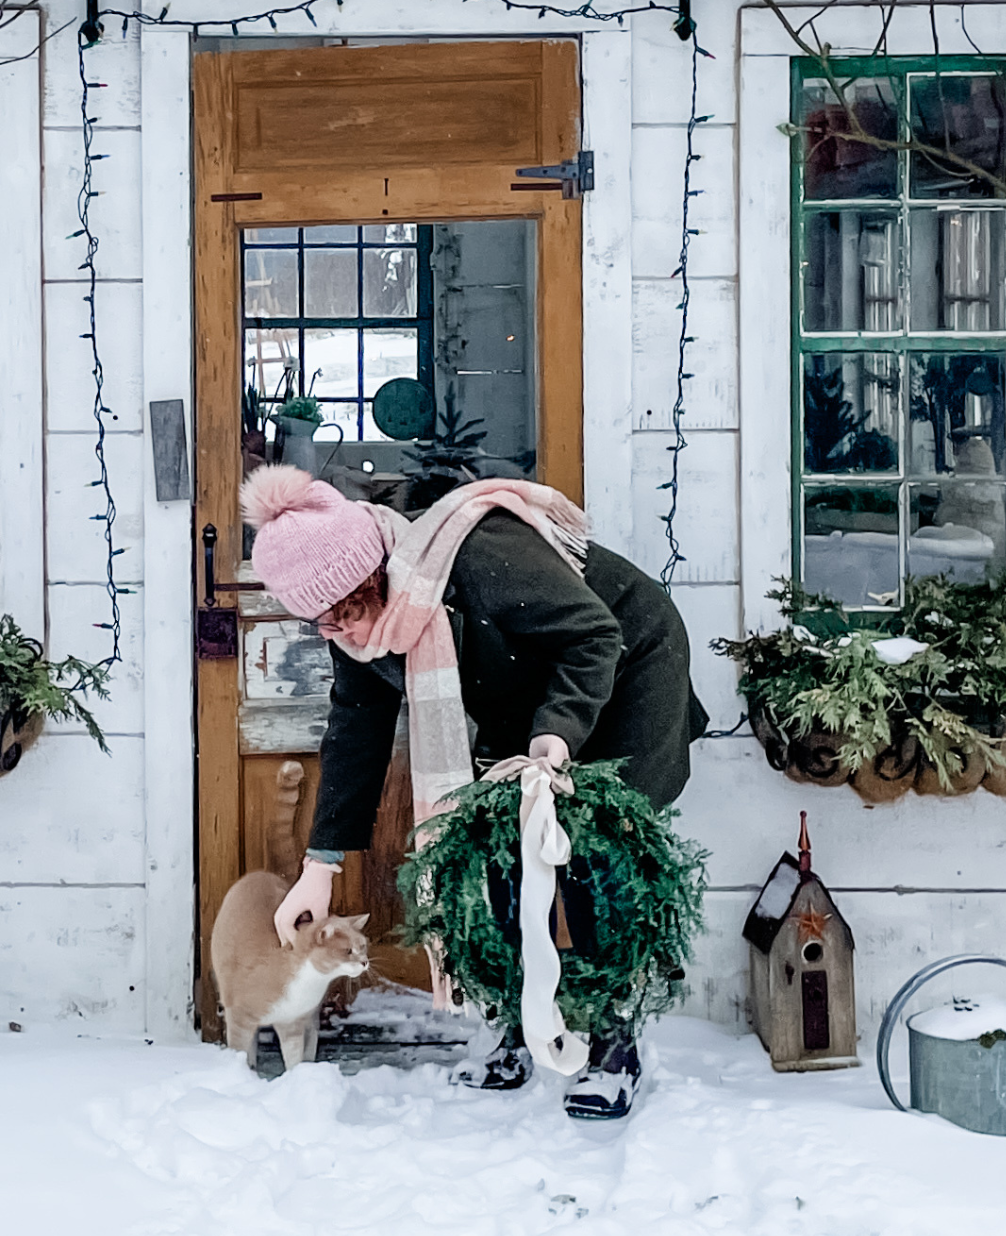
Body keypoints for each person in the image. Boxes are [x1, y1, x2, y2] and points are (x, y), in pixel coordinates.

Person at [245, 462, 707, 1119]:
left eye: (342, 614)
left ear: (371, 577)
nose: (338, 635)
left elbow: (593, 636)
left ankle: (611, 1043)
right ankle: (520, 1026)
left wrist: (557, 734)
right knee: (497, 857)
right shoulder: (357, 628)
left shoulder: (480, 556)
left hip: (625, 664)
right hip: (527, 688)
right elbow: (355, 732)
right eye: (320, 623)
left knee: (599, 856)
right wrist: (320, 865)